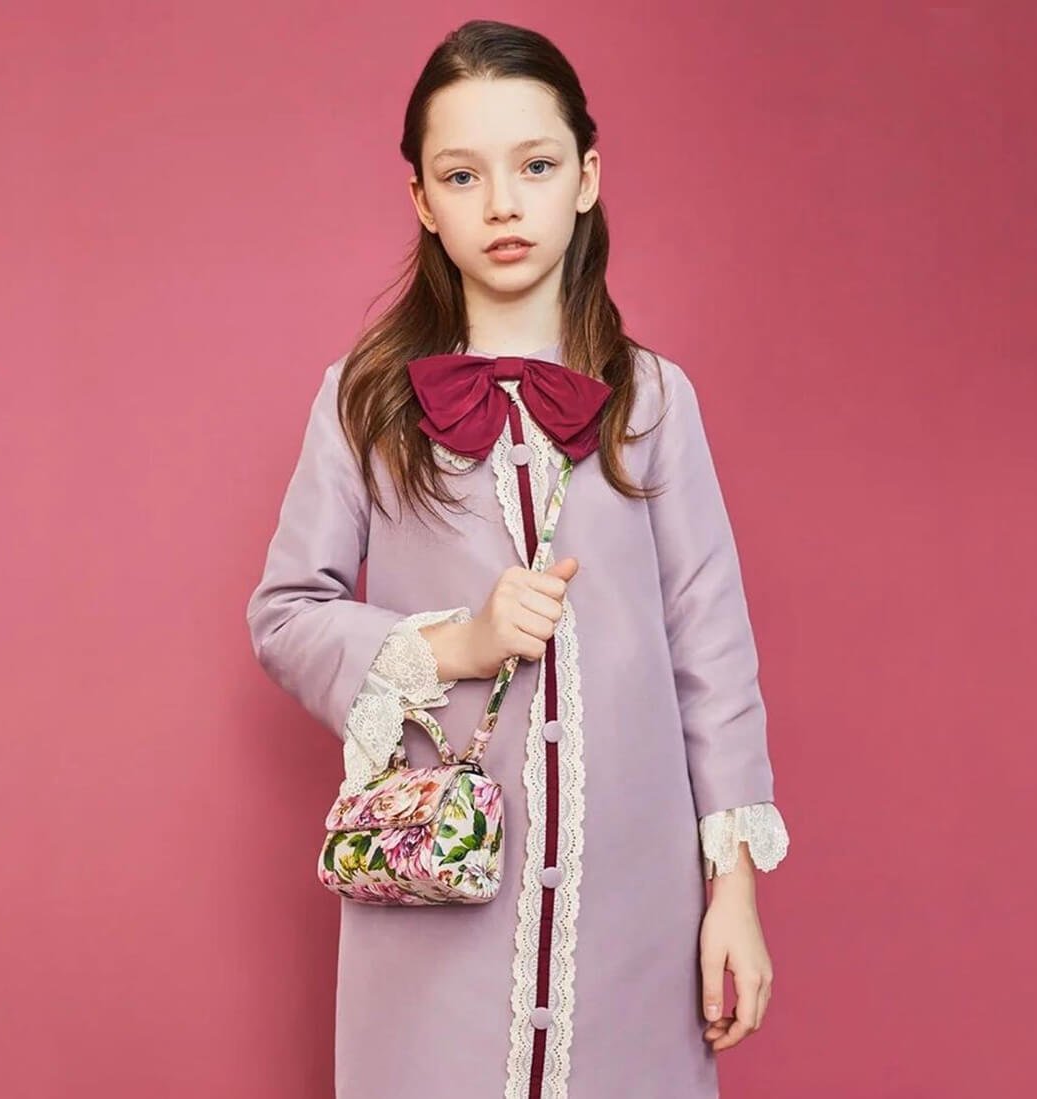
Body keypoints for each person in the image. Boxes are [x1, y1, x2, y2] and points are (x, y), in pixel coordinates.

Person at [245, 18, 790, 1099]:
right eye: (463, 174)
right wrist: (462, 642)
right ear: (421, 199)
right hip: (435, 911)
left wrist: (731, 893)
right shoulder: (364, 400)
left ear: (585, 177)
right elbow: (285, 613)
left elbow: (712, 653)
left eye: (534, 166)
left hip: (631, 908)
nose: (502, 203)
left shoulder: (653, 400)